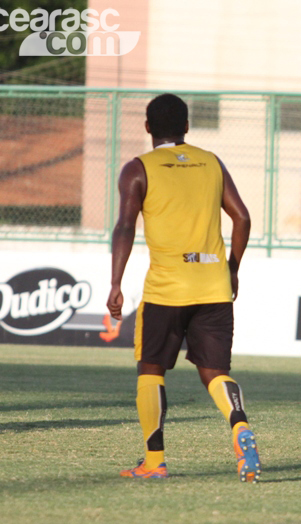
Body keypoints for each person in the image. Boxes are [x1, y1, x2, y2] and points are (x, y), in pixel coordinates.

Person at [107, 93, 261, 481]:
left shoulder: (137, 170)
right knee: (215, 371)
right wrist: (233, 270)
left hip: (166, 289)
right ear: (187, 127)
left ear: (147, 128)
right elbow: (242, 218)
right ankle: (240, 426)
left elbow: (125, 226)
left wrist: (115, 283)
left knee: (151, 370)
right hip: (213, 286)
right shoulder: (210, 162)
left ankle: (154, 462)